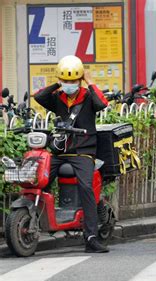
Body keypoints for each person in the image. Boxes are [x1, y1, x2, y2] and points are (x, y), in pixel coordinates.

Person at [34, 55, 110, 253]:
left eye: (73, 80)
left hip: (83, 152)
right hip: (59, 152)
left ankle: (91, 237)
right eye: (66, 80)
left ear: (80, 79)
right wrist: (57, 83)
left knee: (86, 187)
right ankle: (35, 222)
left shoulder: (87, 96)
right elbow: (39, 97)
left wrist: (90, 81)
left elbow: (102, 104)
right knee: (37, 180)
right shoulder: (57, 97)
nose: (69, 84)